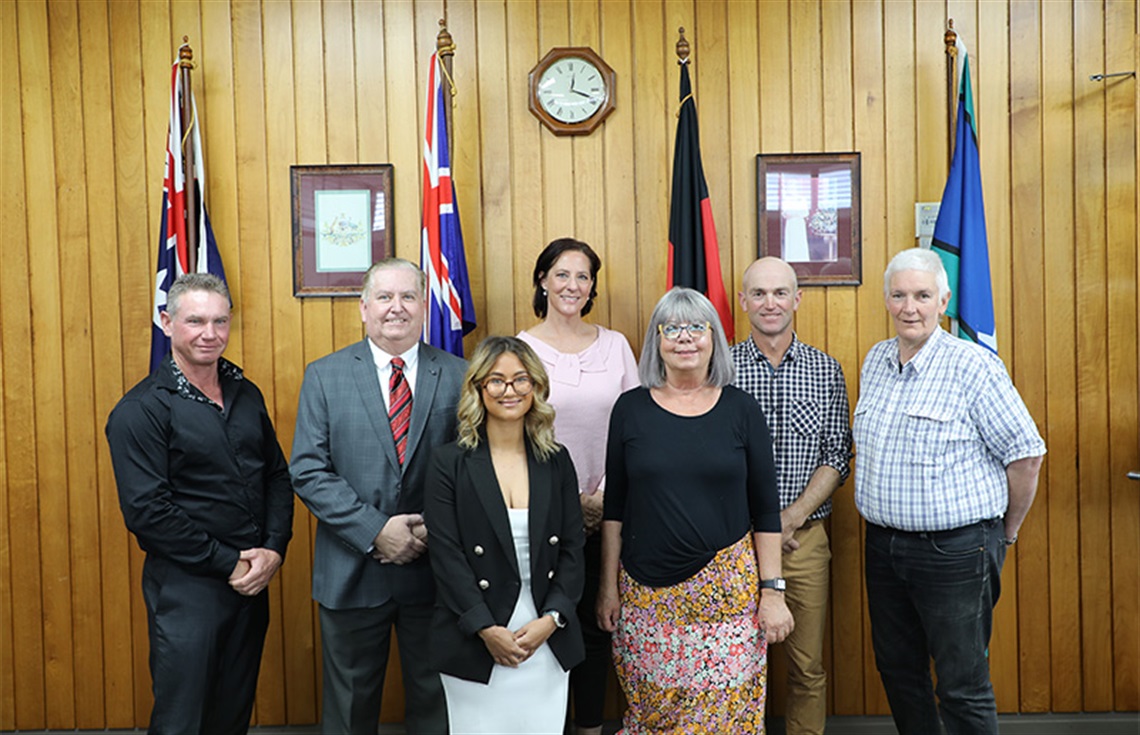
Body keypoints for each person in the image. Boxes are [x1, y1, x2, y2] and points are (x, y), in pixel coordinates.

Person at [854, 248, 1046, 735]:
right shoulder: (876, 360)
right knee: (898, 672)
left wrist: (1006, 533)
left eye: (922, 295)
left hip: (956, 551)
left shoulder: (973, 366)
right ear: (886, 300)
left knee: (962, 685)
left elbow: (1026, 454)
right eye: (899, 295)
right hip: (883, 545)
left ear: (944, 300)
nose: (909, 307)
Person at [598, 287, 794, 734]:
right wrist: (607, 588)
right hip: (647, 597)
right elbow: (615, 509)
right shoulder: (629, 409)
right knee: (655, 716)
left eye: (696, 327)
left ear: (714, 338)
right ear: (657, 341)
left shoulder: (741, 409)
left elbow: (766, 510)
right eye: (672, 328)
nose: (684, 338)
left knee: (726, 717)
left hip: (727, 598)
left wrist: (773, 592)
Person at [105, 273, 294, 735]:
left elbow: (276, 475)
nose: (210, 334)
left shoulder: (246, 394)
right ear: (167, 323)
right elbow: (148, 512)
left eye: (219, 321)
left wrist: (272, 549)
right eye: (195, 321)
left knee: (232, 716)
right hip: (188, 589)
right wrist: (228, 563)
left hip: (252, 581)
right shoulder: (140, 410)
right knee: (182, 721)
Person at [290, 257, 466, 735]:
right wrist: (376, 531)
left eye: (408, 296)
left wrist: (429, 527)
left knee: (437, 706)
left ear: (424, 306)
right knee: (349, 712)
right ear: (364, 308)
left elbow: (472, 469)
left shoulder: (458, 375)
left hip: (435, 571)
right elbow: (307, 470)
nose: (397, 308)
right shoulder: (324, 375)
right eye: (384, 297)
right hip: (351, 571)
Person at [424, 336, 586, 735]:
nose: (509, 391)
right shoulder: (449, 462)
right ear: (479, 388)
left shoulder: (556, 459)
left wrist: (552, 619)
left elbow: (573, 548)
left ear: (536, 387)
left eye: (520, 380)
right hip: (475, 637)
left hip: (545, 636)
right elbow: (446, 555)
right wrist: (485, 628)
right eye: (496, 381)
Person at [517, 237, 639, 735]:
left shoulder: (615, 346)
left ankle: (589, 727)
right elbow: (514, 431)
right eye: (562, 274)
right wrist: (570, 503)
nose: (572, 285)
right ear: (542, 280)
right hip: (542, 512)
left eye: (583, 276)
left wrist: (603, 498)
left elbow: (635, 425)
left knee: (594, 628)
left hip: (611, 510)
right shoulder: (522, 348)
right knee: (540, 622)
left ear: (592, 287)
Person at [731, 257, 852, 735]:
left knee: (806, 668)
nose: (770, 303)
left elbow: (838, 454)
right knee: (734, 666)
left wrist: (789, 519)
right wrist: (758, 526)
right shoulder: (721, 369)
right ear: (743, 302)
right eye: (758, 293)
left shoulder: (825, 370)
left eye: (780, 292)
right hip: (733, 543)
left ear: (797, 299)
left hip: (805, 541)